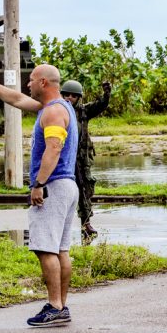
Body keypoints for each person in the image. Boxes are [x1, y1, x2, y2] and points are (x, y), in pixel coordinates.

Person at [0, 64, 78, 327]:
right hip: (65, 186)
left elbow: (54, 149)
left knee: (45, 248)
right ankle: (61, 305)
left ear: (45, 84)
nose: (28, 84)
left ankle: (55, 306)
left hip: (53, 186)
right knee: (60, 248)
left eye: (32, 80)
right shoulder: (55, 107)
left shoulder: (53, 113)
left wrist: (38, 184)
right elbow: (15, 99)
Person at [60, 79, 112, 242]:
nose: (69, 98)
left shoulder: (83, 111)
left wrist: (107, 93)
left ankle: (86, 223)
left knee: (85, 190)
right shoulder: (58, 111)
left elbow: (100, 105)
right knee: (60, 191)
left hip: (81, 158)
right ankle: (60, 224)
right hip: (63, 159)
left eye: (73, 96)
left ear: (79, 98)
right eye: (66, 95)